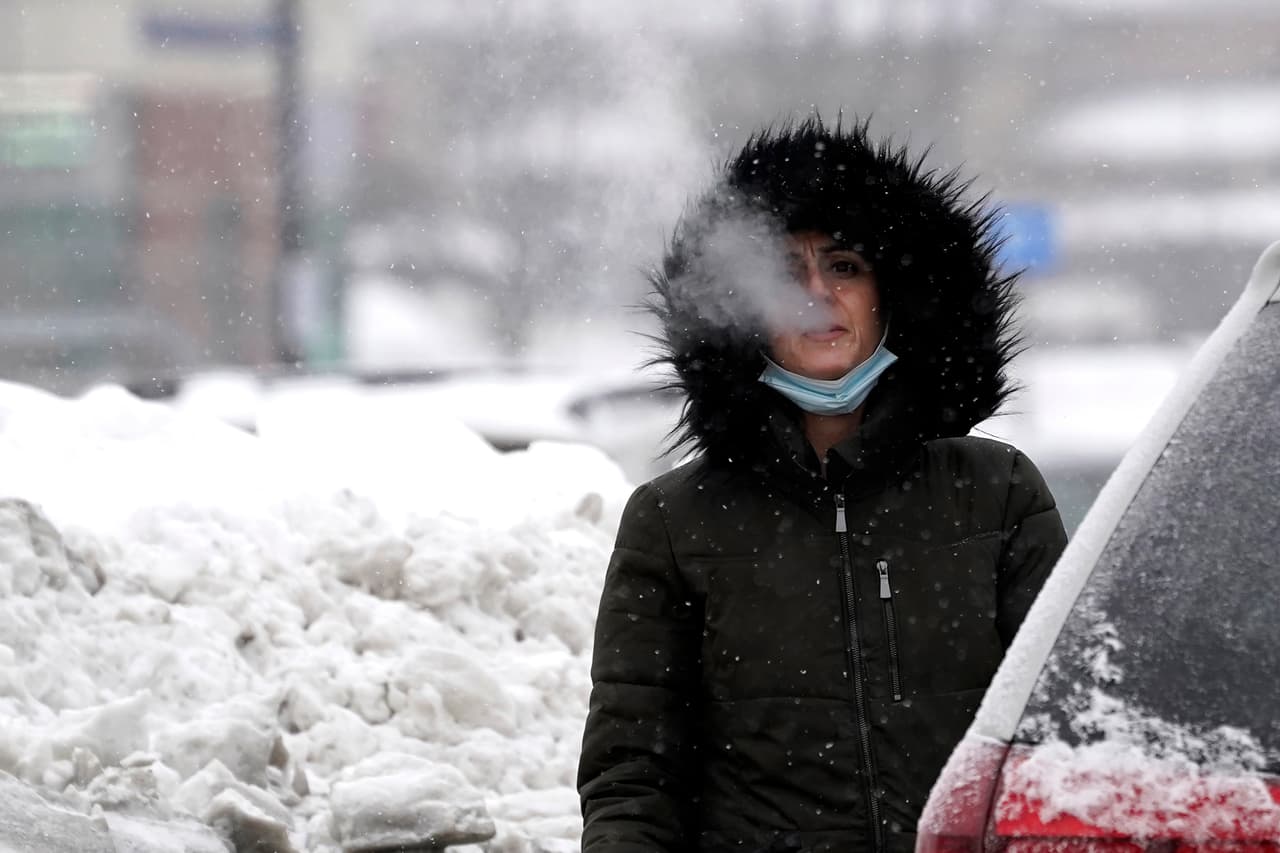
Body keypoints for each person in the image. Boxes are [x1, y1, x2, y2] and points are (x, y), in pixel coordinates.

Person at [577, 116, 1068, 853]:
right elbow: (633, 776)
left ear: (890, 291)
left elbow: (1060, 735)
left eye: (843, 265)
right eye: (785, 273)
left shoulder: (996, 494)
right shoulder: (676, 522)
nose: (816, 293)